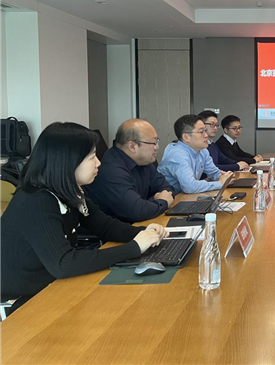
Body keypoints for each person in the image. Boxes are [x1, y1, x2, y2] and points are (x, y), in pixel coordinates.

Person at [0, 122, 168, 317]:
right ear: (67, 162)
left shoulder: (69, 191)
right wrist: (134, 247)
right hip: (20, 300)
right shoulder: (36, 200)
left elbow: (106, 227)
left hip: (52, 286)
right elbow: (64, 263)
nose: (98, 163)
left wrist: (144, 233)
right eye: (91, 157)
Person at [85, 119, 174, 223]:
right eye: (153, 143)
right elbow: (137, 211)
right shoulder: (111, 170)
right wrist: (162, 201)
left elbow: (168, 189)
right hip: (119, 230)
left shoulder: (143, 161)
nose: (157, 147)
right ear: (132, 146)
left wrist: (151, 203)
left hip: (141, 223)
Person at [158, 114, 233, 194]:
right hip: (172, 198)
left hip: (187, 196)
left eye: (205, 131)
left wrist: (225, 176)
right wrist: (220, 184)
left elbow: (213, 172)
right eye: (201, 132)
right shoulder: (177, 154)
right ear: (186, 137)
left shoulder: (202, 151)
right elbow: (189, 187)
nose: (206, 135)